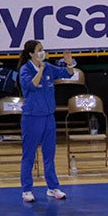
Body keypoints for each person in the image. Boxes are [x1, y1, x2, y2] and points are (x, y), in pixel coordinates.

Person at [17, 40, 75, 202]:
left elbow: (67, 73)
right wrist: (40, 69)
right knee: (29, 154)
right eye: (39, 50)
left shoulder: (49, 67)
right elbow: (32, 85)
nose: (43, 52)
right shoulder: (25, 69)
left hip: (49, 117)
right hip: (32, 118)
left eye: (43, 49)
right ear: (31, 54)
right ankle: (26, 189)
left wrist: (69, 64)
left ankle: (53, 187)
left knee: (49, 154)